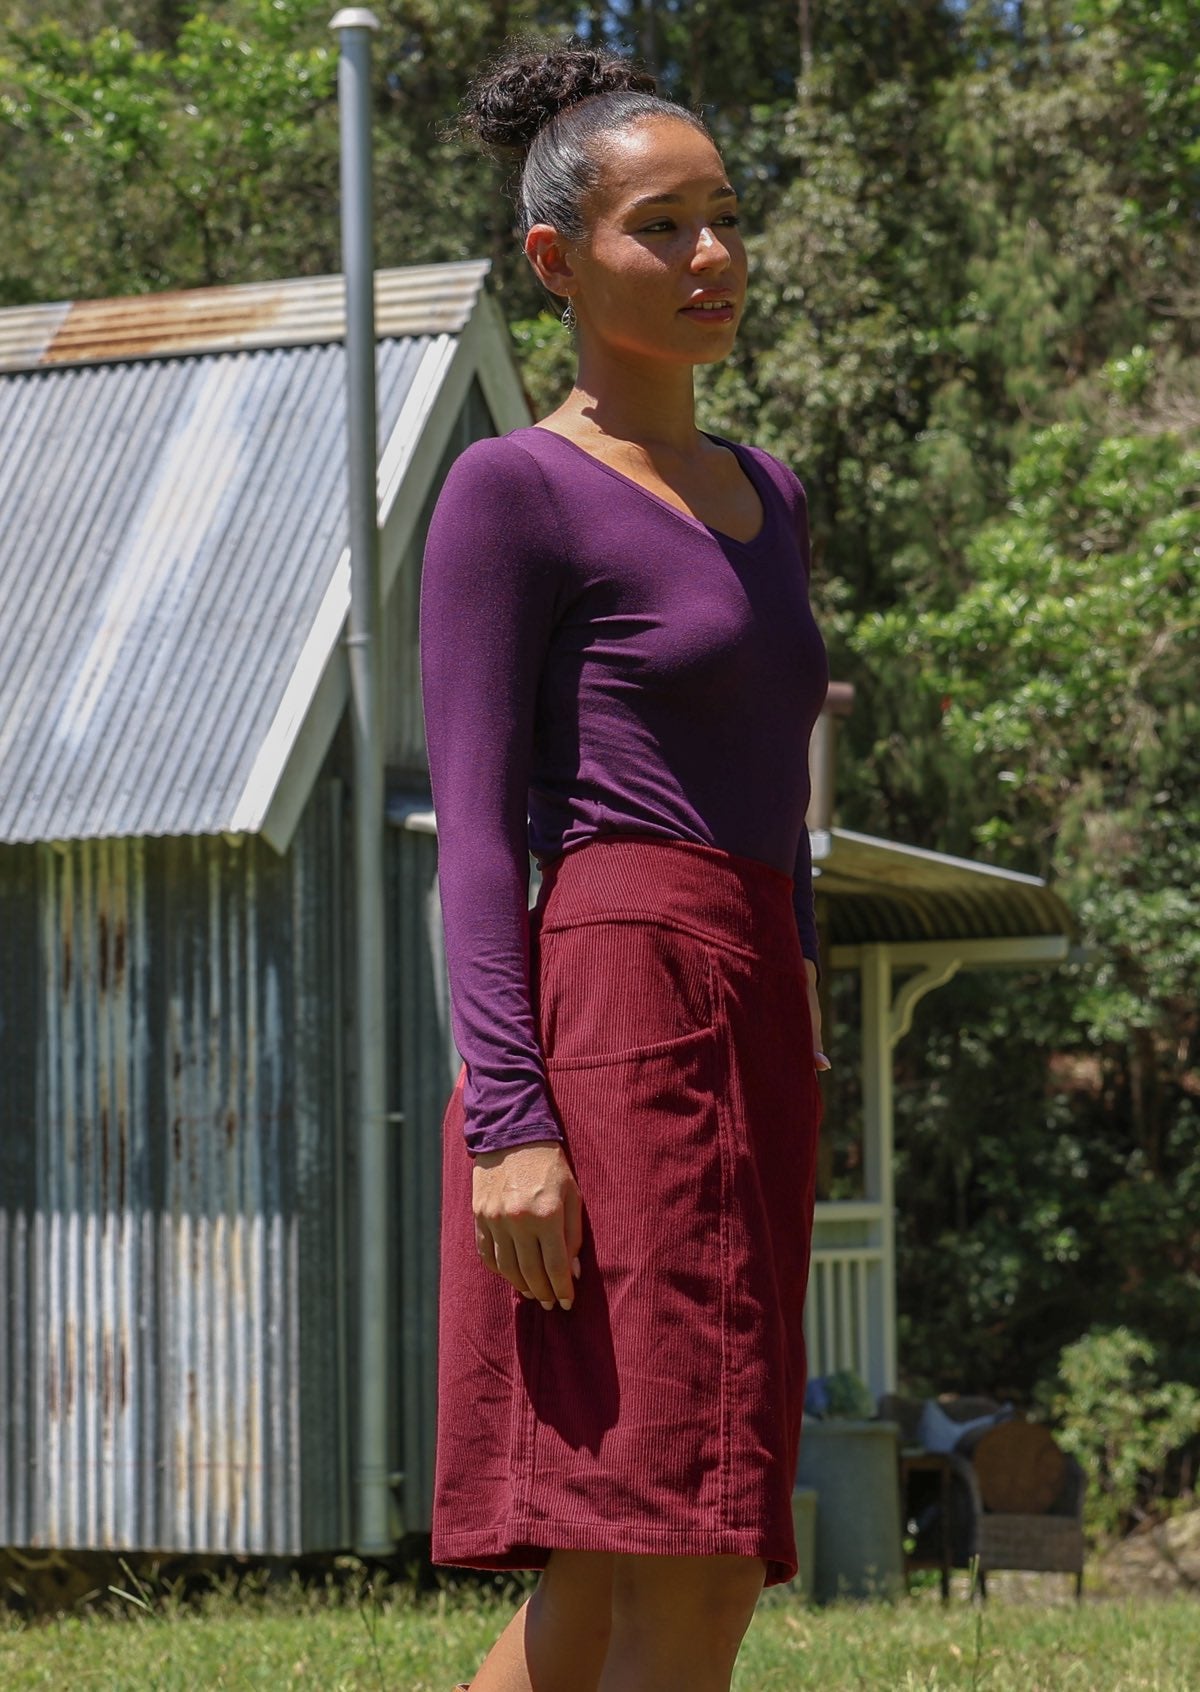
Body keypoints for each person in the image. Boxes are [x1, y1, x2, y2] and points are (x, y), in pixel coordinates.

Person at [419, 34, 831, 1692]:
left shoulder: (772, 493)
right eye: (663, 226)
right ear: (556, 264)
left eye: (724, 215)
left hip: (752, 1010)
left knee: (641, 1551)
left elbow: (777, 793)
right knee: (678, 1526)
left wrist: (795, 993)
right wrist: (511, 1121)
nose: (712, 254)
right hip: (613, 1002)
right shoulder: (511, 495)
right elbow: (470, 833)